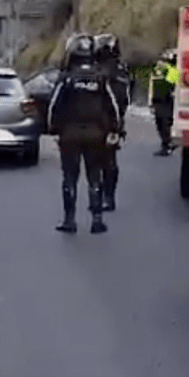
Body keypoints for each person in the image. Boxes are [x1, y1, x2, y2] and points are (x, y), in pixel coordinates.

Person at [47, 33, 122, 234]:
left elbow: (55, 105)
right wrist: (114, 129)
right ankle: (97, 220)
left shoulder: (66, 79)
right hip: (95, 135)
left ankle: (69, 221)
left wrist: (54, 130)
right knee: (94, 177)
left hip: (70, 135)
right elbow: (111, 106)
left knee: (69, 178)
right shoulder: (100, 78)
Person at [93, 33, 130, 211]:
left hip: (102, 120)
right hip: (111, 120)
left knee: (102, 162)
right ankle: (106, 196)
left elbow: (122, 97)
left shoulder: (104, 70)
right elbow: (126, 98)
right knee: (108, 161)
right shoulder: (119, 69)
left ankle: (102, 196)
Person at [150, 48, 179, 156]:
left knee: (164, 123)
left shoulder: (170, 69)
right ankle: (167, 143)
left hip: (165, 99)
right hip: (161, 98)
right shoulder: (167, 68)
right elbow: (154, 83)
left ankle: (167, 144)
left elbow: (172, 83)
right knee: (162, 123)